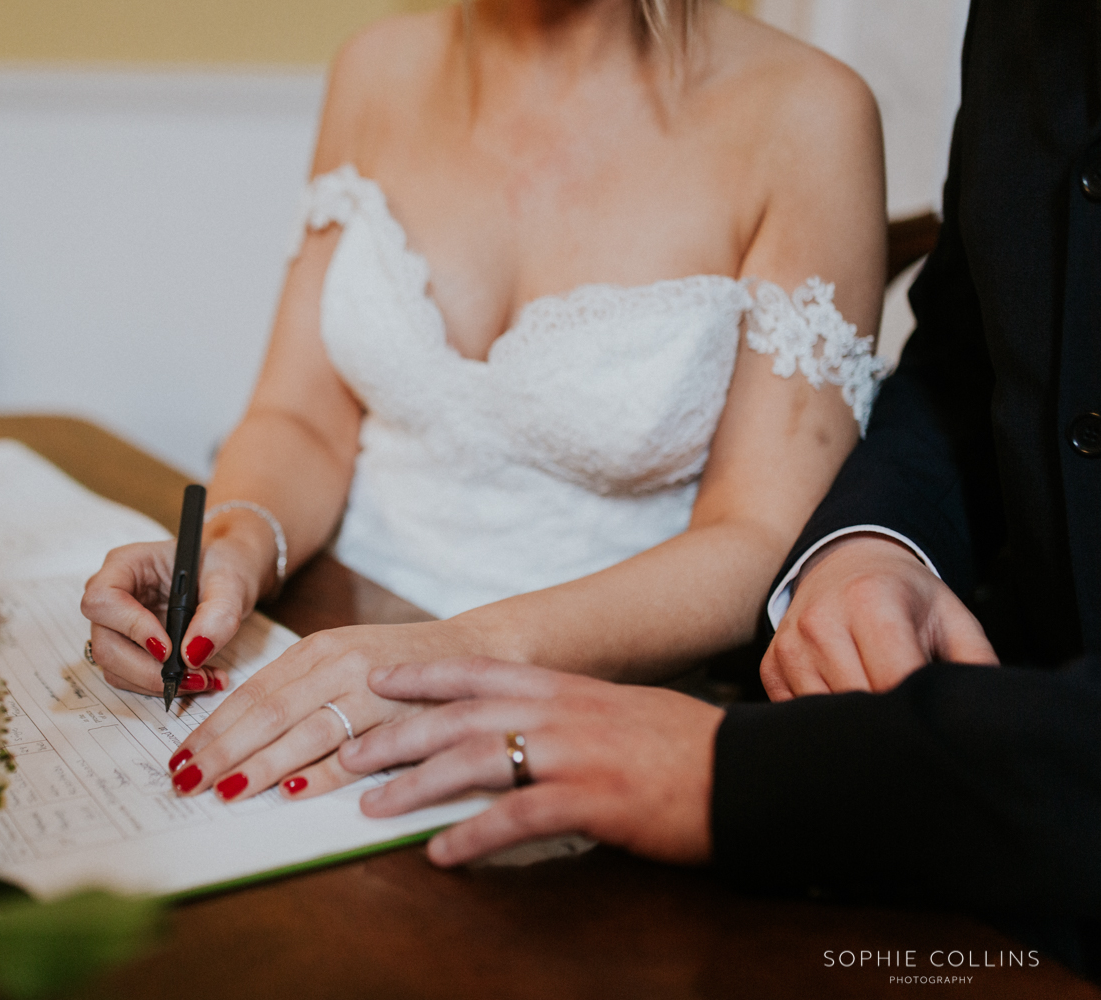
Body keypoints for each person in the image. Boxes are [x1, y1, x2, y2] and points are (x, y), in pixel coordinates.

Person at [333, 0, 1101, 974]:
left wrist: (727, 772)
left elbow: (755, 522)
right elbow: (971, 341)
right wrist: (870, 541)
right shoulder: (1019, 22)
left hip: (931, 773)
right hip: (978, 821)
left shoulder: (802, 110)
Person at [83, 0, 888, 801]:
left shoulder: (809, 113)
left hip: (589, 720)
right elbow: (302, 419)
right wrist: (234, 548)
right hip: (316, 642)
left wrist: (452, 656)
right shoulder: (375, 67)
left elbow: (759, 534)